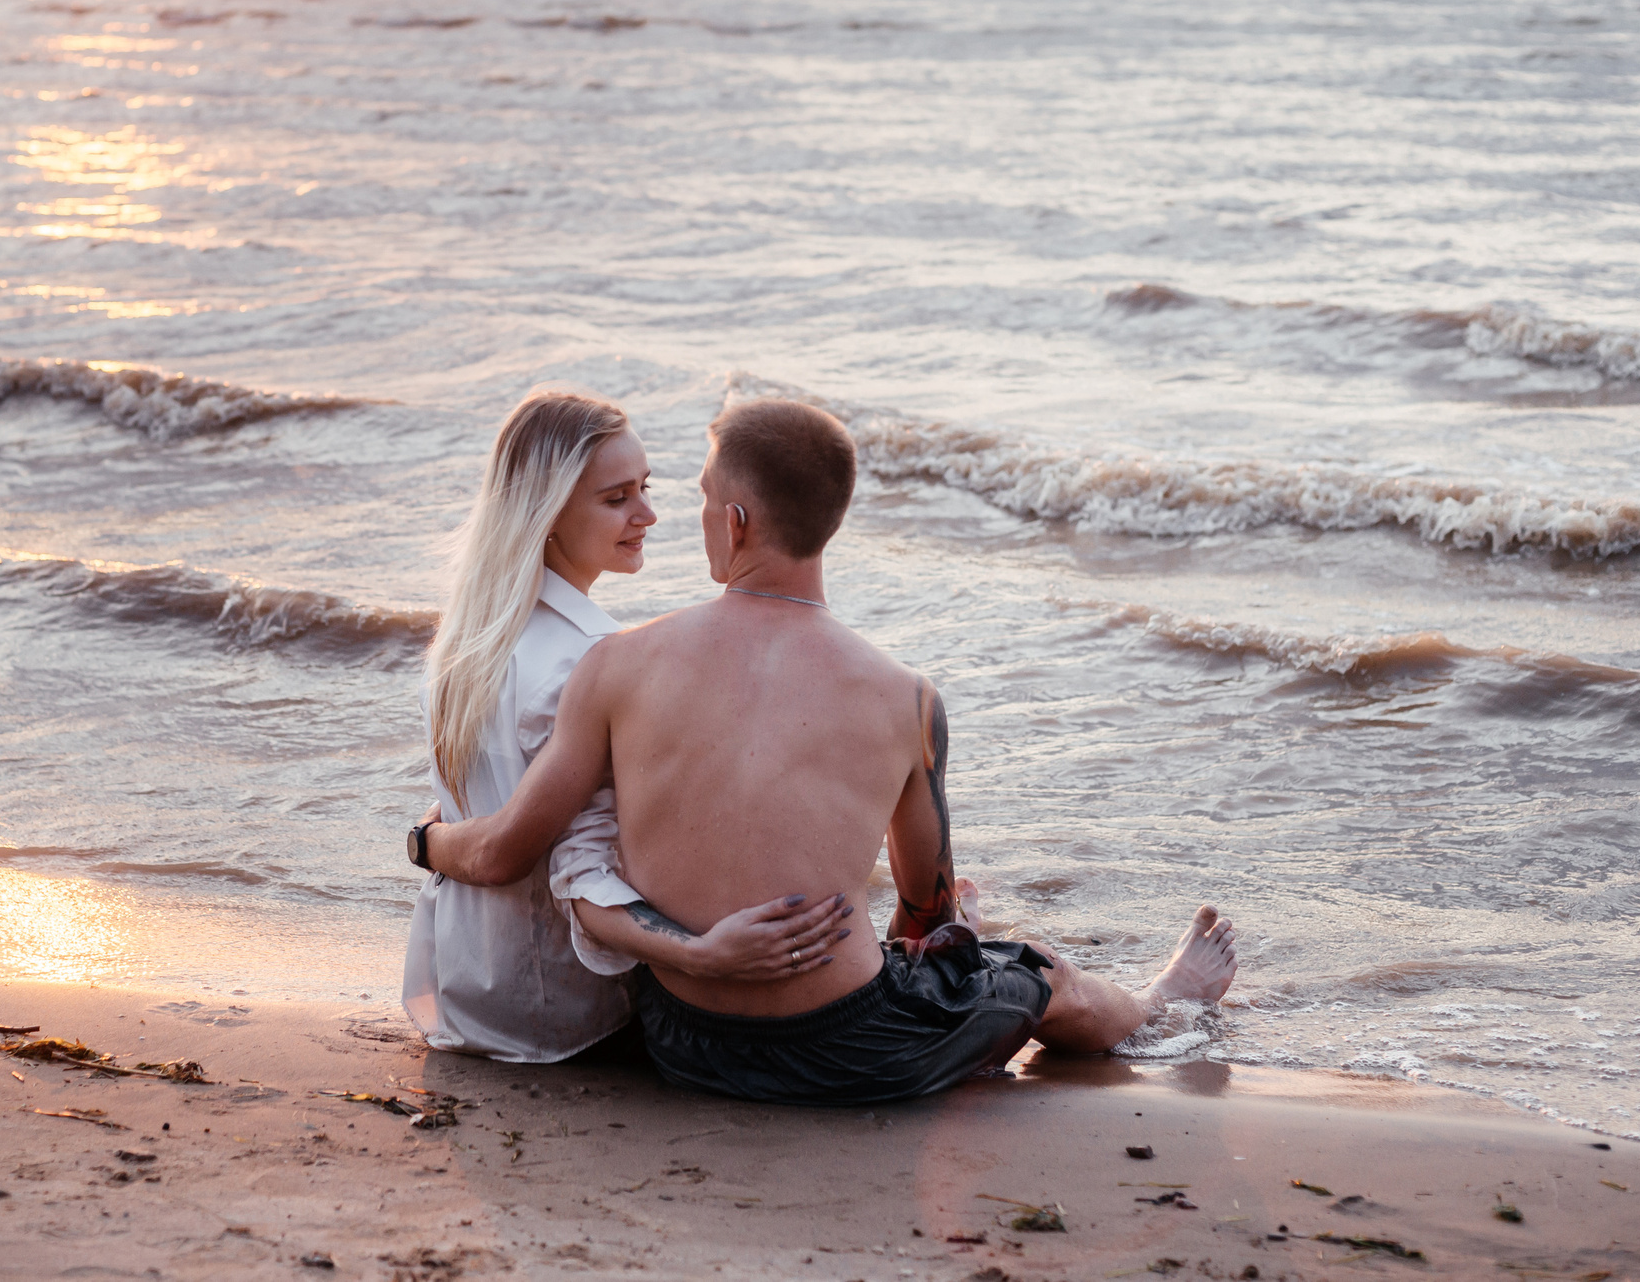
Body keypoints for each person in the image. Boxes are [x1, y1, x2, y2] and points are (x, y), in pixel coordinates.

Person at [420, 396, 1238, 1103]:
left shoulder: (614, 662)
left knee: (946, 947)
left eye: (697, 497)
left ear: (736, 520)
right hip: (849, 1056)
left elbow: (562, 854)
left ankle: (968, 964)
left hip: (678, 1042)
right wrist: (936, 938)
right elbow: (922, 902)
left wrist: (424, 838)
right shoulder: (906, 696)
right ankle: (1162, 1006)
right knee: (1039, 969)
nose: (676, 516)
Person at [400, 389, 854, 1064]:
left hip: (466, 992)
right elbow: (558, 864)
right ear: (547, 513)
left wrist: (425, 839)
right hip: (560, 1018)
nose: (647, 514)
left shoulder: (473, 634)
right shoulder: (592, 660)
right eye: (616, 499)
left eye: (645, 488)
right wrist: (705, 953)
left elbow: (486, 810)